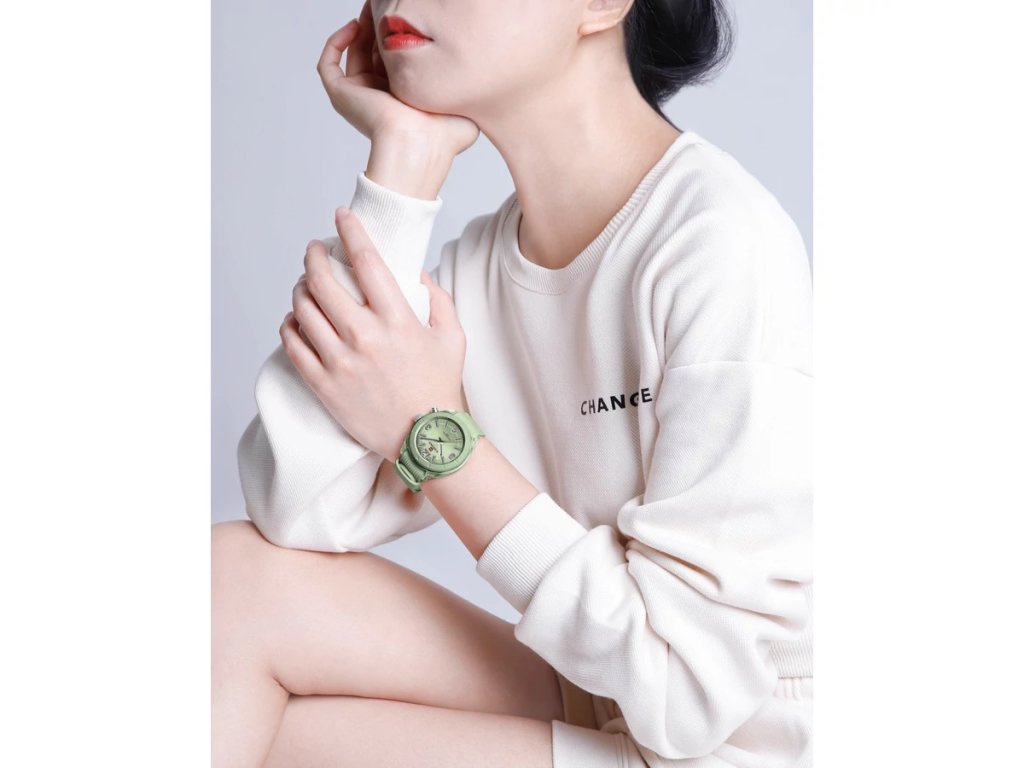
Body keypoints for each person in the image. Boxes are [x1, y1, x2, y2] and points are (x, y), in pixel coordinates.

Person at [212, 0, 813, 766]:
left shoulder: (719, 244)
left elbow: (690, 693)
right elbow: (295, 511)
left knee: (260, 731)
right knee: (225, 590)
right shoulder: (482, 267)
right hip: (604, 693)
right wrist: (403, 164)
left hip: (730, 745)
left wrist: (432, 430)